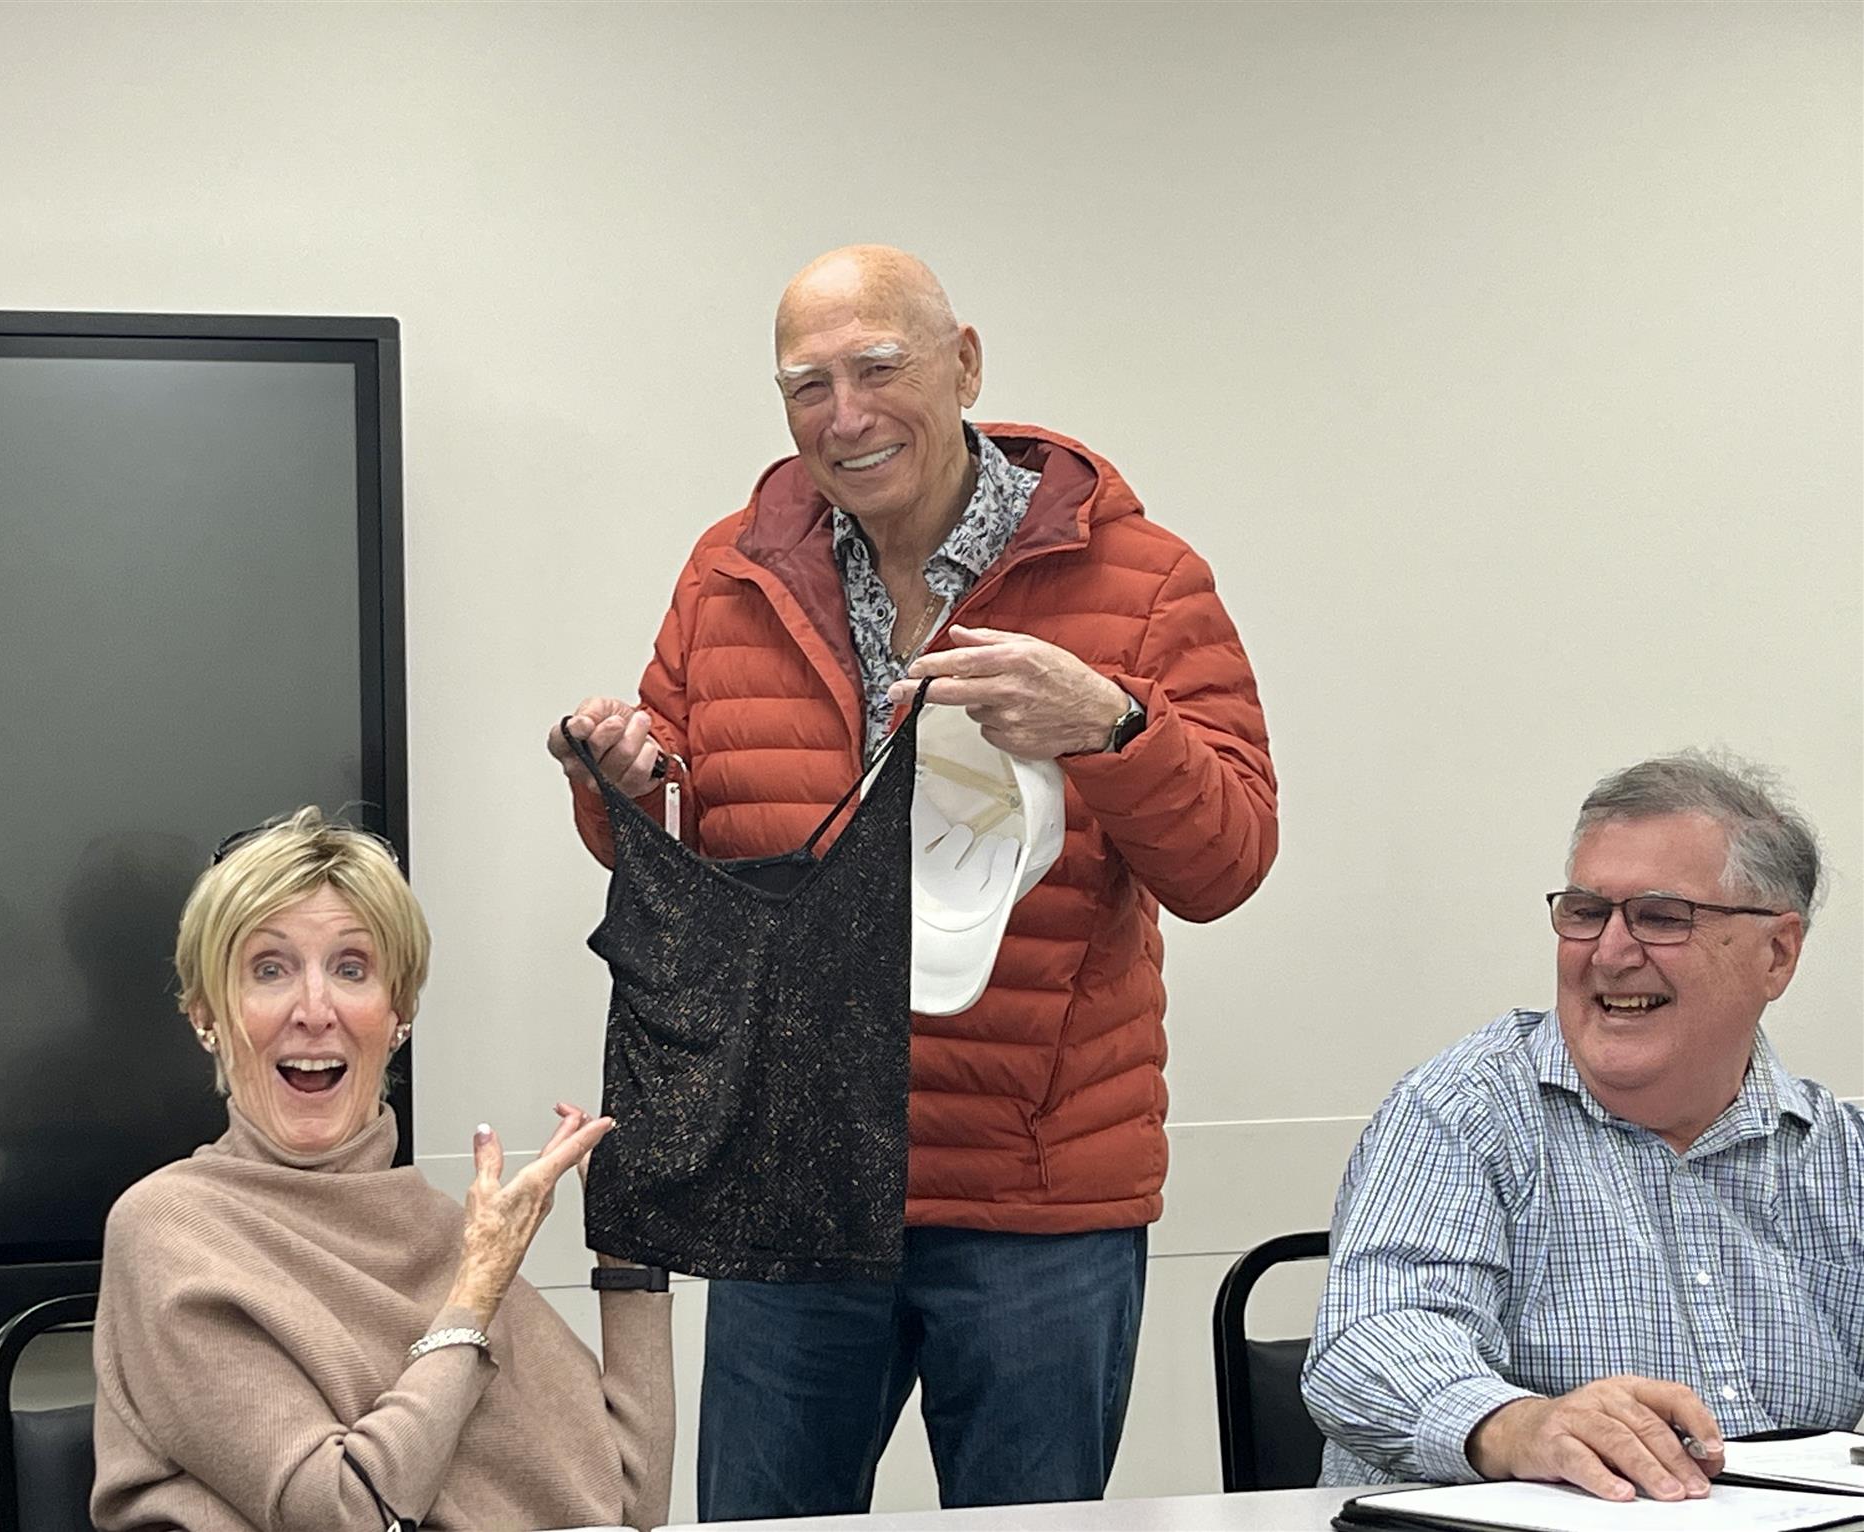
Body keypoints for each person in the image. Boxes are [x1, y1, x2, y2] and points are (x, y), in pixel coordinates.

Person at [548, 244, 1278, 1516]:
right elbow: (682, 847)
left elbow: (1227, 862)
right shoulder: (729, 570)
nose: (846, 415)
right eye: (808, 385)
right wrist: (621, 784)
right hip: (795, 1177)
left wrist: (1112, 725)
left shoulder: (1144, 580)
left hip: (1033, 1197)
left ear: (965, 366)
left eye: (878, 368)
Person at [90, 809, 675, 1532]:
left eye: (351, 968)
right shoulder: (170, 1228)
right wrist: (473, 1299)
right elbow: (350, 1514)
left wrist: (629, 1259)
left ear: (399, 1013)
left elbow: (630, 1508)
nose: (315, 1010)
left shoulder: (450, 1230)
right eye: (270, 969)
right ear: (206, 1014)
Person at [1303, 752, 1864, 1503]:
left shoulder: (1842, 1155)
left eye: (1661, 917)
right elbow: (1369, 1342)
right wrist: (1520, 1428)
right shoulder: (1464, 1110)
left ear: (1777, 954)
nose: (1611, 952)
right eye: (1586, 912)